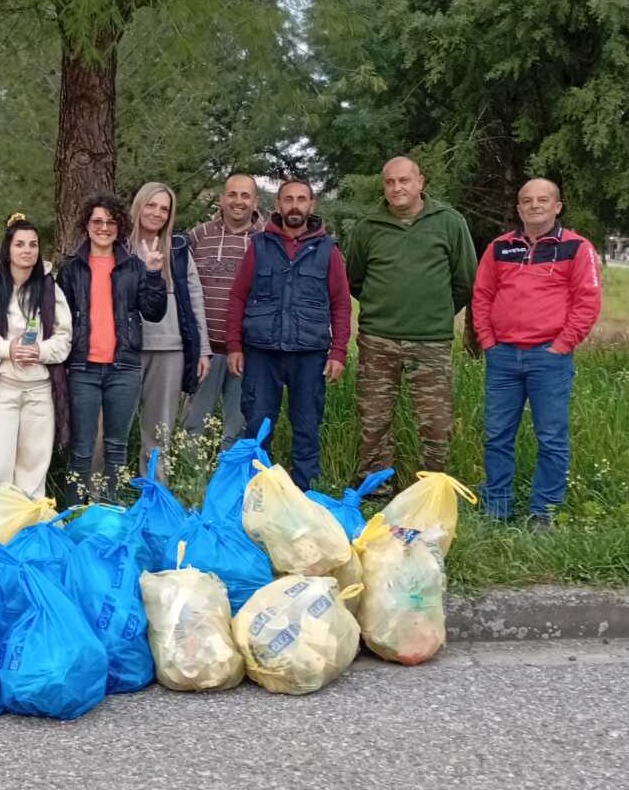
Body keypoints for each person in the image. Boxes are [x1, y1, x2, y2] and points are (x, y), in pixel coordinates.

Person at [471, 178, 602, 526]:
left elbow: (587, 302)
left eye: (543, 200)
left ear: (557, 207)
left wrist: (562, 345)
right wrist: (488, 340)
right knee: (497, 436)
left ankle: (544, 512)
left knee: (551, 438)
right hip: (502, 357)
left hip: (549, 358)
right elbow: (482, 295)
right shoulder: (500, 247)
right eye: (526, 200)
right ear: (519, 209)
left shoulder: (577, 248)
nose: (534, 205)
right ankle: (496, 509)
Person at [347, 156, 477, 489]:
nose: (397, 188)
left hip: (431, 341)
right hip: (378, 340)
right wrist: (385, 307)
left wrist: (433, 313)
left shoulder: (449, 222)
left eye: (404, 180)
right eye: (390, 182)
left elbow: (465, 281)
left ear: (420, 182)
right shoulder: (367, 227)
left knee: (436, 423)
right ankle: (376, 487)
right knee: (374, 421)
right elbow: (355, 280)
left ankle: (430, 490)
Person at [226, 179, 352, 490]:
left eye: (301, 199)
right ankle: (256, 491)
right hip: (261, 352)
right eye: (288, 199)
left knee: (307, 425)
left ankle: (303, 494)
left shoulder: (328, 250)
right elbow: (238, 296)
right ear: (278, 205)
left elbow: (341, 303)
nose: (294, 206)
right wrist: (233, 346)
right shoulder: (259, 245)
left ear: (312, 205)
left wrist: (338, 351)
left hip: (309, 354)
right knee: (257, 425)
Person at [59, 194, 166, 503]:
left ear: (120, 227)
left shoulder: (134, 267)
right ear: (86, 225)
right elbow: (60, 318)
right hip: (82, 368)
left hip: (124, 367)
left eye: (110, 222)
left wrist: (155, 273)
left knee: (116, 446)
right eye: (97, 221)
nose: (103, 228)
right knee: (81, 448)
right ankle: (74, 512)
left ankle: (112, 512)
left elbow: (153, 311)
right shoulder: (71, 268)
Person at [0, 214, 73, 499]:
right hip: (3, 388)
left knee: (34, 467)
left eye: (33, 244)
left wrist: (41, 351)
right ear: (8, 249)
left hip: (39, 389)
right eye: (20, 244)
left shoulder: (49, 288)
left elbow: (65, 336)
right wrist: (7, 348)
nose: (27, 250)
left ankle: (29, 532)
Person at [128, 182, 212, 477]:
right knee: (111, 430)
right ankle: (100, 498)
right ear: (139, 206)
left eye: (164, 208)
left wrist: (202, 349)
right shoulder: (119, 247)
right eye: (151, 205)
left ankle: (155, 495)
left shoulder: (177, 249)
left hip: (170, 349)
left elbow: (195, 298)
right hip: (125, 349)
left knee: (158, 432)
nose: (157, 213)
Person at [182, 173, 264, 448]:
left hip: (246, 351)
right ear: (222, 198)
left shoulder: (266, 240)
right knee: (194, 424)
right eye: (232, 194)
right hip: (205, 351)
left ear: (255, 201)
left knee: (237, 426)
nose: (238, 201)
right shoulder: (199, 236)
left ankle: (229, 484)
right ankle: (191, 481)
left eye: (245, 195)